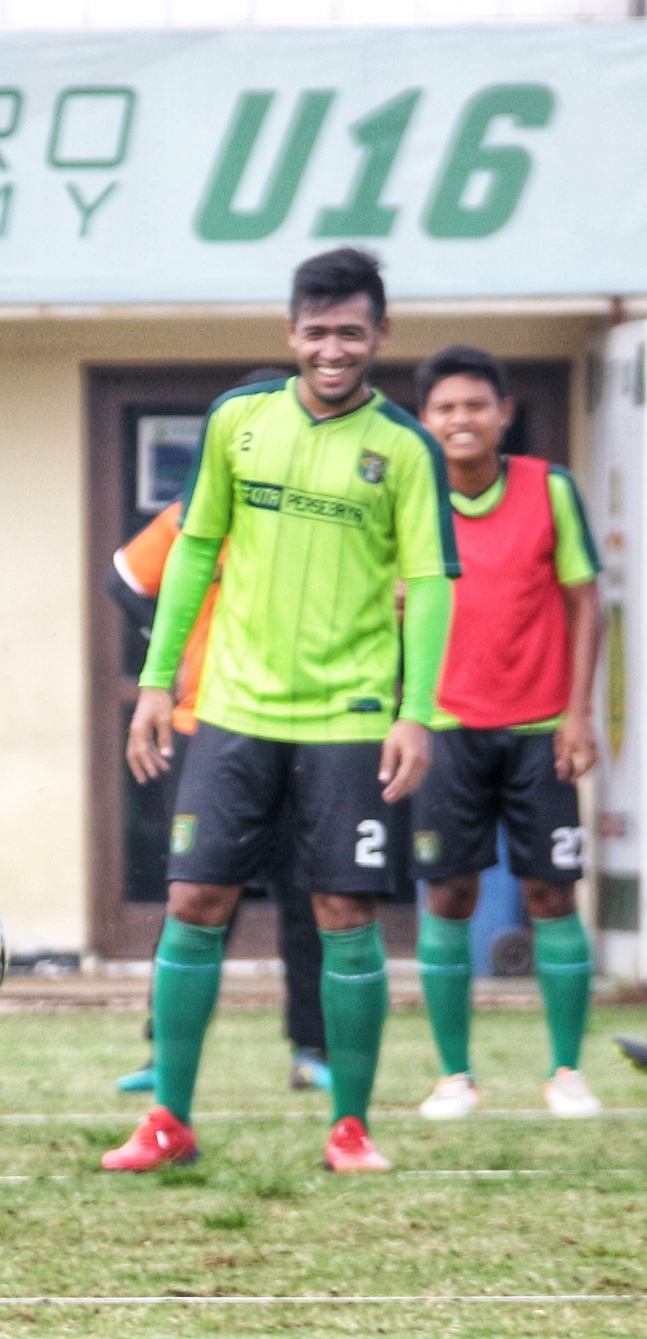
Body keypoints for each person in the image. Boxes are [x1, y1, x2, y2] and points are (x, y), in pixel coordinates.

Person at [107, 247, 457, 1176]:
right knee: (195, 900)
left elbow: (429, 586)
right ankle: (167, 1120)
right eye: (317, 331)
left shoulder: (409, 449)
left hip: (348, 720)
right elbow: (192, 550)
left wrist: (415, 712)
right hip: (231, 710)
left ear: (378, 335)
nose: (332, 348)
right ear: (289, 332)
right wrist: (154, 684)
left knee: (345, 909)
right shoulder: (238, 421)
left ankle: (350, 1125)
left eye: (351, 331)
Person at [108, 378, 331, 1097]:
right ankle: (163, 1051)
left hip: (307, 723)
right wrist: (164, 667)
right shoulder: (190, 515)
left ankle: (313, 1049)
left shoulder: (316, 515)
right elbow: (123, 581)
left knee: (309, 893)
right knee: (202, 897)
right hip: (206, 724)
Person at [409, 345, 604, 1120]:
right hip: (445, 728)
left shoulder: (549, 487)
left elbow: (589, 601)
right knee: (448, 892)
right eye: (445, 408)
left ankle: (567, 1071)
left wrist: (580, 711)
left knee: (551, 891)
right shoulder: (411, 498)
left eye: (474, 405)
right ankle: (455, 1075)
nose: (461, 419)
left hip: (539, 729)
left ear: (503, 413)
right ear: (425, 422)